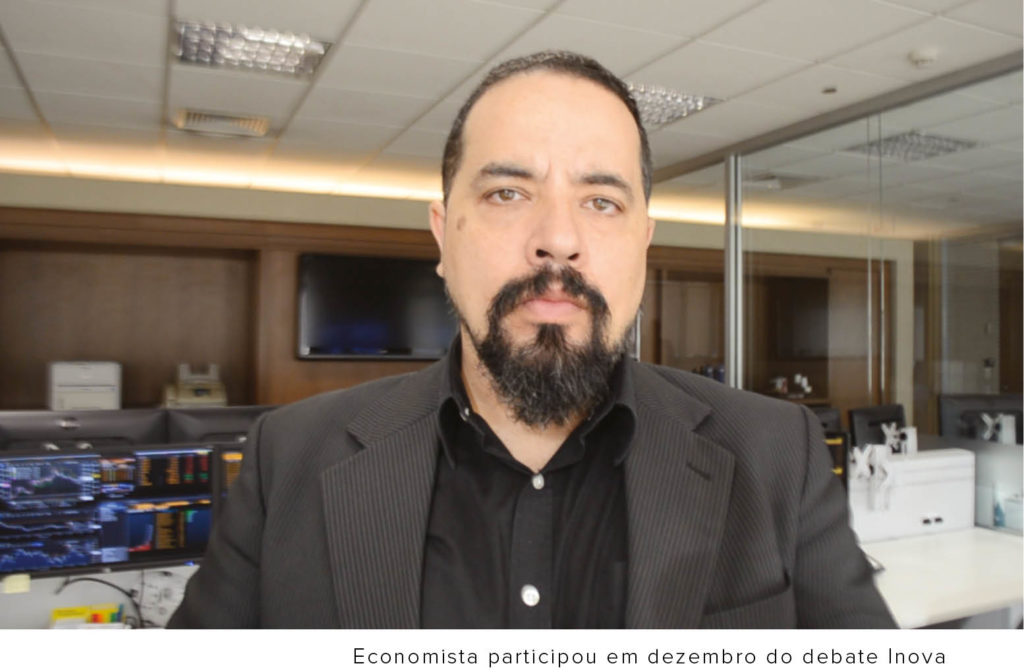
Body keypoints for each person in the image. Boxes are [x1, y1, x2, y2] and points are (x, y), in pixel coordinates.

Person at [169, 50, 894, 629]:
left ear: (642, 244)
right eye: (507, 193)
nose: (558, 240)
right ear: (443, 236)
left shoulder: (776, 455)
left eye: (601, 201)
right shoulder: (289, 460)